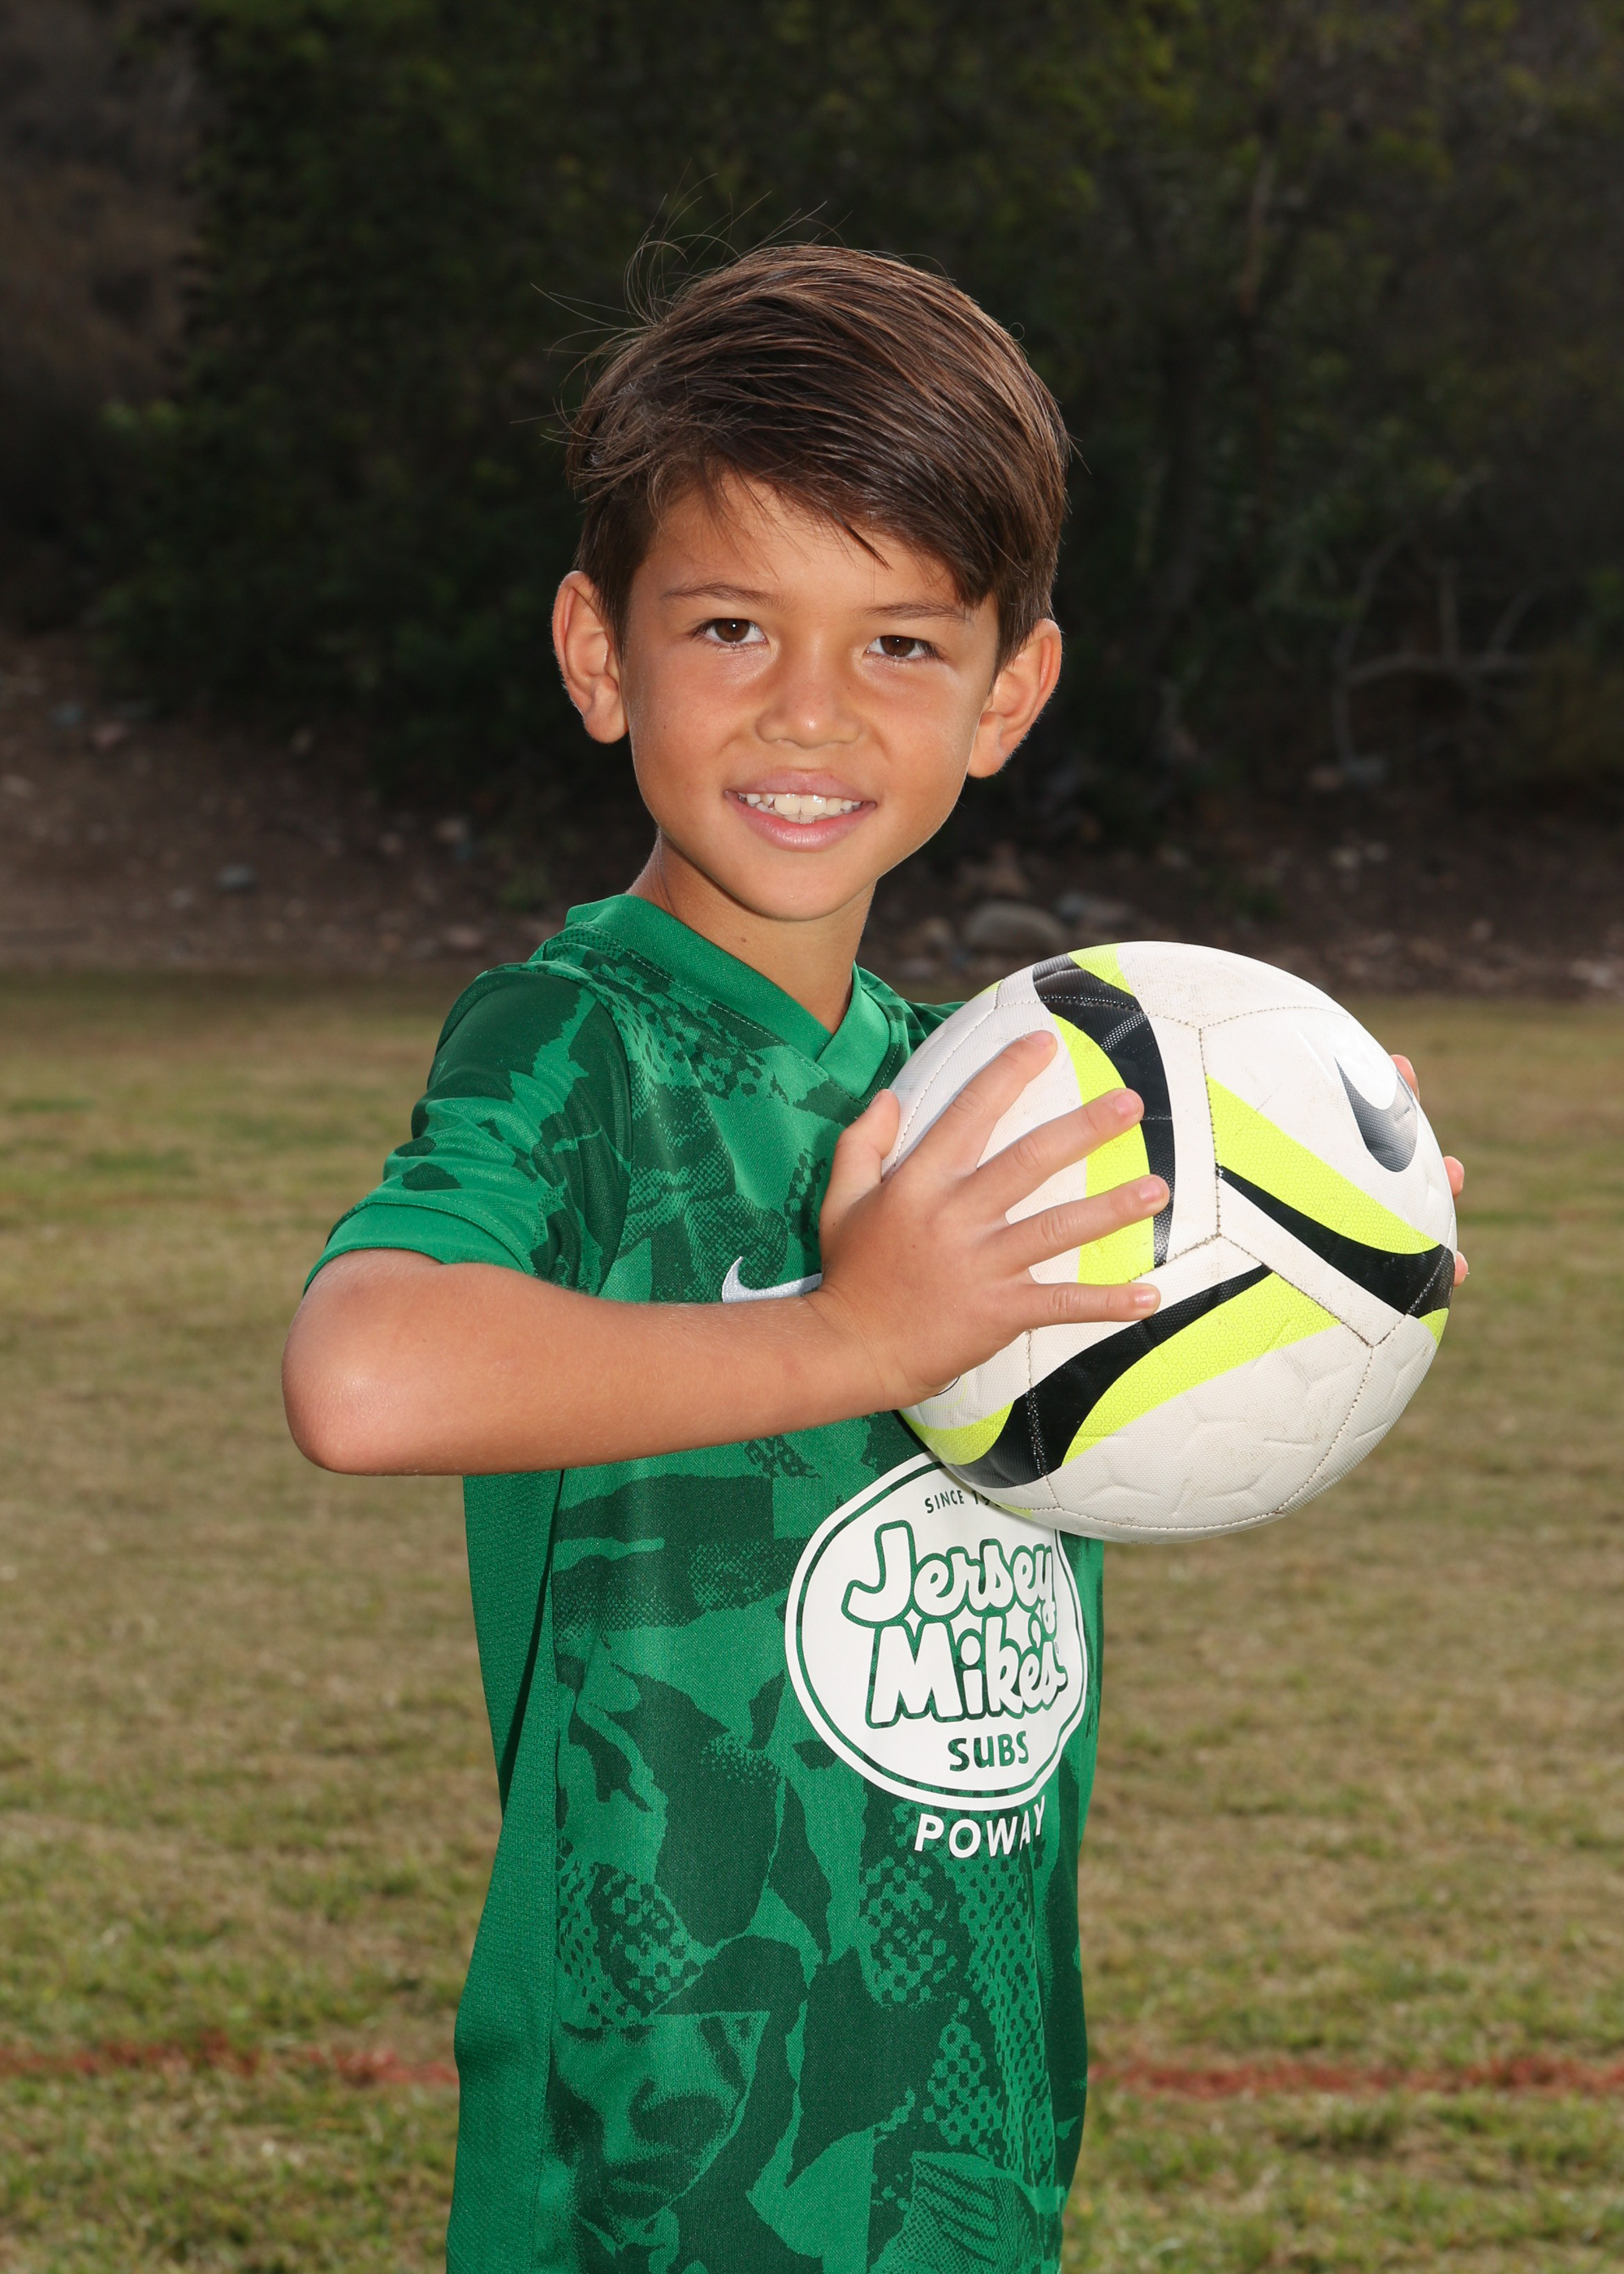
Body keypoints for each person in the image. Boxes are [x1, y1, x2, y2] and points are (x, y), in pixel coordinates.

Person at [282, 245, 1466, 2274]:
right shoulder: (581, 1041)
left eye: (900, 642)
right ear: (598, 653)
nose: (809, 709)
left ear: (1008, 692)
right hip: (666, 2171)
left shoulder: (984, 1085)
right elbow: (364, 1373)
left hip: (964, 2132)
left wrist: (1334, 1244)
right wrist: (855, 1332)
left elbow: (1147, 1396)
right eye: (731, 625)